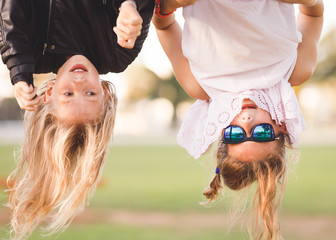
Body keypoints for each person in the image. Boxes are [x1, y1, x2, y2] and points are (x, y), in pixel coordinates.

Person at [153, 0, 324, 239]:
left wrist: (168, 5)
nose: (245, 121)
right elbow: (314, 13)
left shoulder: (200, 86)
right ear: (282, 126)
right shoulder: (296, 70)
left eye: (235, 135)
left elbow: (163, 25)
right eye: (261, 132)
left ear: (222, 133)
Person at [0, 0, 154, 239]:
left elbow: (11, 14)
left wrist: (19, 70)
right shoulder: (118, 52)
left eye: (68, 94)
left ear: (49, 93)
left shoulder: (32, 52)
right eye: (91, 94)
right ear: (105, 92)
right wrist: (129, 4)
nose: (79, 83)